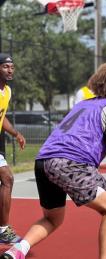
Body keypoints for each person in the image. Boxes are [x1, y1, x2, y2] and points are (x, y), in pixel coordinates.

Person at [0, 60, 106, 259]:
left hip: (43, 161)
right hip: (71, 163)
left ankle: (17, 251)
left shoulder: (83, 105)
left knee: (53, 219)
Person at [0, 53, 26, 244]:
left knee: (7, 179)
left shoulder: (7, 91)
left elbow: (2, 117)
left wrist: (16, 134)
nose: (10, 70)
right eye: (5, 66)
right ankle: (2, 230)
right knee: (7, 178)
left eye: (12, 67)